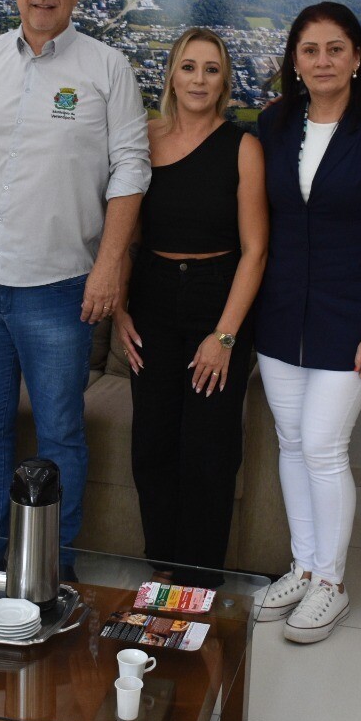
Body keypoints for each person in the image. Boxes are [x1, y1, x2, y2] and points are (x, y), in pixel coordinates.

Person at [0, 0, 150, 565]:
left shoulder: (106, 68)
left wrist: (109, 267)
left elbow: (131, 168)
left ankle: (52, 567)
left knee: (59, 435)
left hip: (60, 288)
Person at [252, 2, 361, 643]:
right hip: (280, 316)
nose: (322, 61)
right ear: (294, 62)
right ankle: (302, 566)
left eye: (335, 48)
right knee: (292, 442)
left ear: (355, 58)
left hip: (354, 319)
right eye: (309, 50)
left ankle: (331, 582)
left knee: (324, 447)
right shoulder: (274, 123)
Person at [114, 28, 268, 577]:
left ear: (224, 81)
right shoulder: (143, 139)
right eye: (188, 67)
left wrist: (224, 337)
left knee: (209, 451)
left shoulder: (243, 148)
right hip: (151, 298)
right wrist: (120, 311)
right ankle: (163, 570)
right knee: (152, 446)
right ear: (171, 76)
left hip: (217, 298)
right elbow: (127, 237)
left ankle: (199, 582)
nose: (199, 79)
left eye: (211, 69)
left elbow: (255, 251)